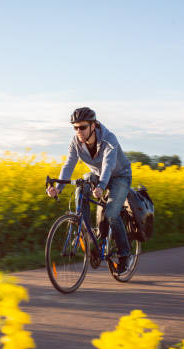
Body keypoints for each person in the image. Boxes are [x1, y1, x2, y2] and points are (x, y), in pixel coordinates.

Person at [46, 107, 133, 274]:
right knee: (82, 186)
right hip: (97, 175)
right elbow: (69, 164)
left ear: (93, 126)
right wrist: (58, 189)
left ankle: (125, 254)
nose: (78, 131)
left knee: (111, 213)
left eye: (82, 127)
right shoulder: (76, 142)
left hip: (120, 176)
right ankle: (84, 229)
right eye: (75, 127)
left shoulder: (109, 139)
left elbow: (108, 165)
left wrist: (101, 186)